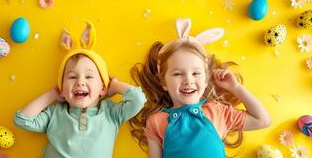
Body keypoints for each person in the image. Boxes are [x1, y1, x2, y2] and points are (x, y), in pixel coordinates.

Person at [129, 18, 271, 158]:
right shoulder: (156, 121)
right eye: (178, 74)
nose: (188, 80)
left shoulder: (218, 112)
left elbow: (263, 120)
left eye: (196, 73)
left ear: (205, 80)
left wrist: (235, 88)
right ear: (163, 82)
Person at [14, 22, 146, 158]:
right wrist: (52, 95)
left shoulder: (111, 113)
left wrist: (115, 87)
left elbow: (138, 99)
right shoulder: (55, 113)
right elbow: (22, 119)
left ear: (102, 88)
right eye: (72, 77)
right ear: (62, 88)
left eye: (89, 76)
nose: (80, 82)